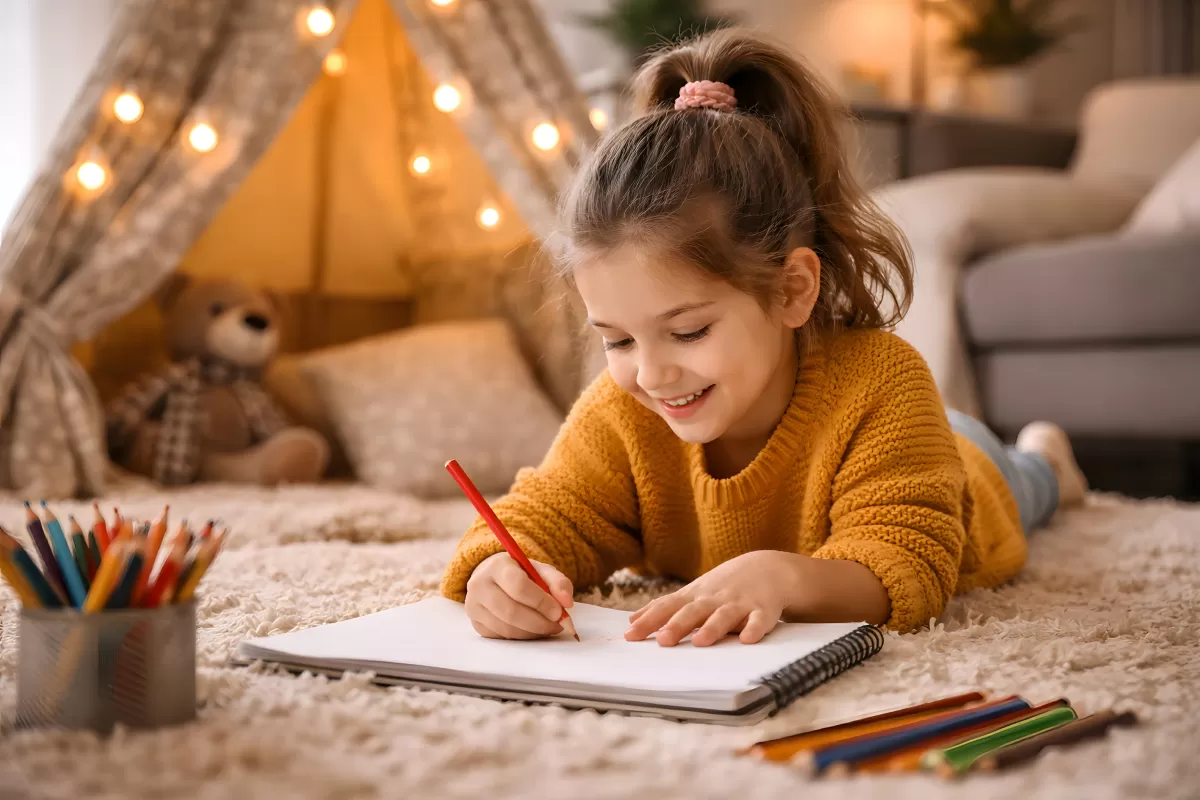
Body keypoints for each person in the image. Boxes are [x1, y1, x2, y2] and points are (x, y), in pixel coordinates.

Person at [439, 29, 1088, 645]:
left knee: (1022, 478)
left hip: (965, 470)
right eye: (619, 341)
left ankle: (1047, 457)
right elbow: (545, 513)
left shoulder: (885, 382)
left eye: (687, 331)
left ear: (792, 290)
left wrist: (782, 575)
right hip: (898, 443)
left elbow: (910, 561)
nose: (653, 374)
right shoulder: (624, 413)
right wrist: (498, 569)